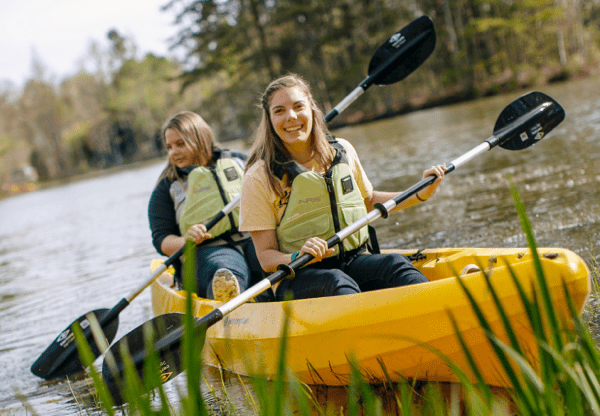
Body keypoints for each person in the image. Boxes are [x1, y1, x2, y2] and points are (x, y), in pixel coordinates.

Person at [239, 74, 447, 301]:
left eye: (298, 106)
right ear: (269, 120)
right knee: (337, 281)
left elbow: (367, 201)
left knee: (394, 263)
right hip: (298, 275)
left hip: (353, 260)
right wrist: (298, 255)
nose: (291, 116)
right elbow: (266, 258)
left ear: (312, 109)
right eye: (279, 111)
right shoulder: (259, 177)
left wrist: (421, 193)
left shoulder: (343, 151)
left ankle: (441, 309)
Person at [148, 111, 262, 302]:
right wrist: (186, 240)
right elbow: (161, 240)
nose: (173, 152)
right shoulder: (167, 188)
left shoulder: (239, 162)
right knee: (224, 267)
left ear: (201, 139)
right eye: (169, 147)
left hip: (255, 240)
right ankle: (229, 295)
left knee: (266, 259)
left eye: (180, 144)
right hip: (209, 251)